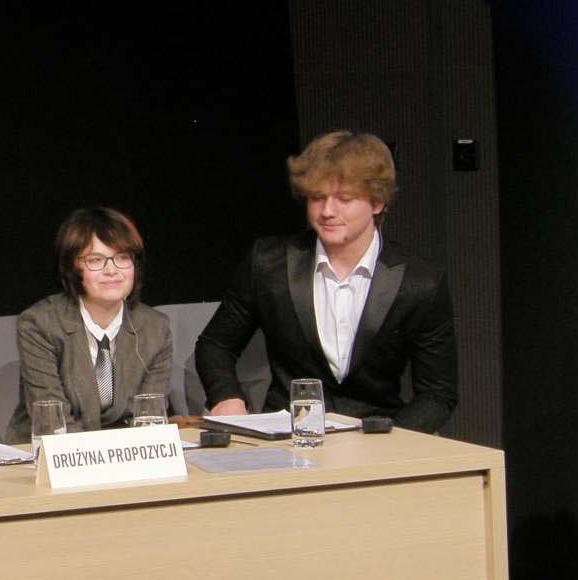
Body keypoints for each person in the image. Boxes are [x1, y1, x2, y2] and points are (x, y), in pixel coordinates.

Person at [196, 131, 457, 432]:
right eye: (317, 197)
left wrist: (390, 441)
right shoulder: (268, 263)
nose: (327, 211)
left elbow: (438, 394)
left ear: (378, 203)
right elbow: (215, 345)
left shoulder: (420, 280)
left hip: (378, 438)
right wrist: (227, 398)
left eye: (344, 199)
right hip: (287, 436)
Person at [5, 207, 175, 443]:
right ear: (72, 267)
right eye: (96, 260)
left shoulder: (156, 327)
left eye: (122, 258)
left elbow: (149, 418)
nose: (112, 270)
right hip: (47, 452)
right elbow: (54, 423)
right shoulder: (39, 324)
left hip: (125, 452)